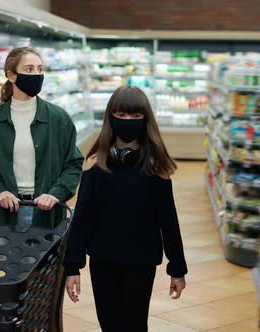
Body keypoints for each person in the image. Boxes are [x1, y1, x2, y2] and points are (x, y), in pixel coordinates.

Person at [63, 86, 188, 332]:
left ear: (145, 120)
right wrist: (72, 266)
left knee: (134, 324)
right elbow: (82, 218)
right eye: (121, 115)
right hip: (102, 259)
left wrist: (177, 268)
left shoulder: (155, 165)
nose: (127, 122)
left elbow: (168, 220)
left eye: (135, 117)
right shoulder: (95, 162)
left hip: (140, 262)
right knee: (108, 323)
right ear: (110, 117)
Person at [0, 47, 83, 229]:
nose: (37, 74)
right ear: (11, 75)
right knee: (14, 257)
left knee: (49, 257)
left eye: (40, 69)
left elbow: (74, 163)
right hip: (10, 210)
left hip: (49, 209)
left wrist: (56, 193)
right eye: (29, 69)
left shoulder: (58, 118)